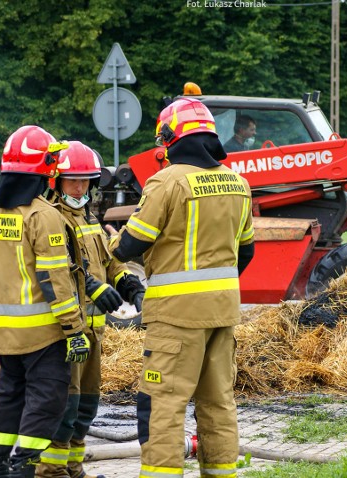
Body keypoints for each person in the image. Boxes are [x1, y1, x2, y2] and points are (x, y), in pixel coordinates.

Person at [108, 97, 255, 478]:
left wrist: (111, 243)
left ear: (171, 140)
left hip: (175, 318)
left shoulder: (167, 181)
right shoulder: (238, 184)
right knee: (218, 403)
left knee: (162, 405)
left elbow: (130, 245)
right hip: (222, 315)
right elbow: (247, 253)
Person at [0, 125, 91, 478]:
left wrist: (5, 315)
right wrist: (74, 329)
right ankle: (24, 466)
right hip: (43, 334)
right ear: (46, 169)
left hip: (6, 333)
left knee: (10, 396)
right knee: (48, 400)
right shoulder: (44, 215)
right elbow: (54, 280)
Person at [36, 141, 144, 478]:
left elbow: (105, 261)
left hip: (93, 331)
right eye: (72, 180)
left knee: (86, 405)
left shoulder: (87, 217)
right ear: (56, 181)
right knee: (65, 407)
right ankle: (50, 472)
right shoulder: (51, 218)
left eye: (86, 180)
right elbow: (62, 270)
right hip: (67, 332)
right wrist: (93, 287)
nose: (80, 187)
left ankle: (73, 467)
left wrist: (127, 281)